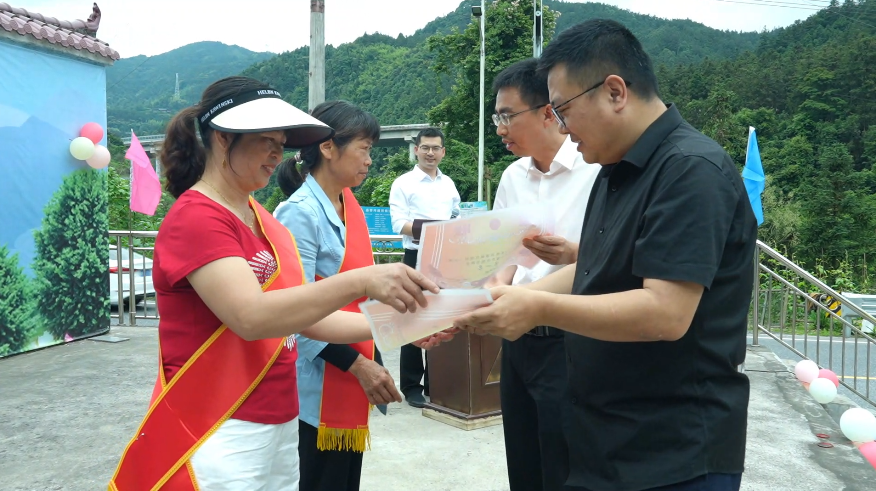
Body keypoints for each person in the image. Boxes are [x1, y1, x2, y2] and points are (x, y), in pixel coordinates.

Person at [455, 20, 756, 491]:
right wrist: (498, 301)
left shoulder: (689, 170)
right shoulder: (616, 172)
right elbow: (591, 269)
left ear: (615, 91)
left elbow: (666, 312)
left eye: (563, 109)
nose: (561, 125)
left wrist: (535, 306)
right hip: (608, 439)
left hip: (672, 452)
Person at [109, 76, 445, 491]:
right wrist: (362, 281)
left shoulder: (260, 218)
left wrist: (407, 323)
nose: (277, 153)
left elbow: (305, 318)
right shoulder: (198, 217)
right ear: (222, 138)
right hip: (220, 423)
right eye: (265, 140)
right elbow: (251, 317)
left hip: (278, 416)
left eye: (281, 142)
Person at [273, 101, 400, 491]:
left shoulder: (349, 205)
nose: (369, 160)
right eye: (364, 148)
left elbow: (363, 296)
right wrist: (358, 365)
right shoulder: (299, 213)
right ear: (328, 147)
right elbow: (294, 310)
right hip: (319, 381)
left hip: (354, 367)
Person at [489, 58, 599, 491]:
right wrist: (495, 289)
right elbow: (503, 255)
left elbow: (615, 255)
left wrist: (574, 253)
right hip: (518, 339)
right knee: (523, 459)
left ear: (548, 112)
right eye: (497, 118)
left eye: (507, 116)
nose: (500, 129)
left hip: (571, 340)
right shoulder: (513, 176)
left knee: (565, 464)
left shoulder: (595, 169)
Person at [389, 127, 461, 408]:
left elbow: (456, 215)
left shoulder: (448, 184)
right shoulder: (403, 183)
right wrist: (436, 230)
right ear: (416, 150)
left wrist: (449, 232)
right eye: (426, 148)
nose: (431, 153)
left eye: (436, 148)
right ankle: (411, 386)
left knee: (442, 321)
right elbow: (399, 224)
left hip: (444, 259)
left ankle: (436, 382)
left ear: (443, 152)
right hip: (415, 257)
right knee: (412, 320)